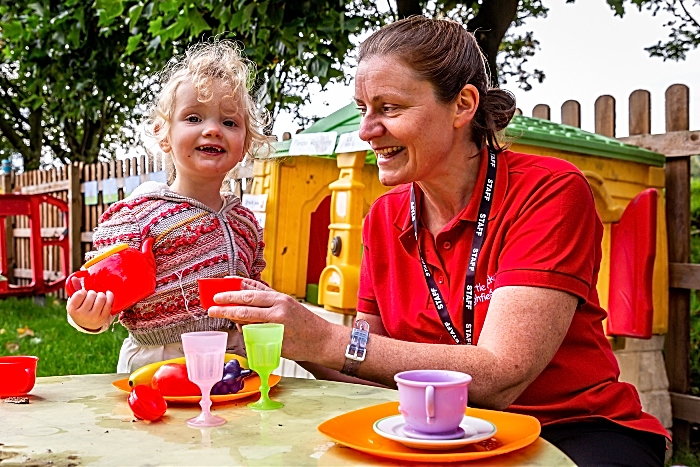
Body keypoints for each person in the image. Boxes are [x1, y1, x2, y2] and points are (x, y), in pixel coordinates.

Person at [207, 17, 669, 466]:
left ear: (463, 105)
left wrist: (325, 338)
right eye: (364, 109)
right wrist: (287, 339)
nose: (367, 130)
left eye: (389, 109)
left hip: (571, 427)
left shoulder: (549, 190)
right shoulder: (383, 219)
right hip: (430, 429)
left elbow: (502, 375)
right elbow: (371, 374)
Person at [66, 40, 269, 373]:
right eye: (193, 117)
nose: (213, 129)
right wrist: (87, 316)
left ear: (245, 143)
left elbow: (255, 286)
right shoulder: (139, 215)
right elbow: (101, 289)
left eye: (230, 123)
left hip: (232, 360)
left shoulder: (245, 223)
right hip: (157, 362)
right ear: (163, 134)